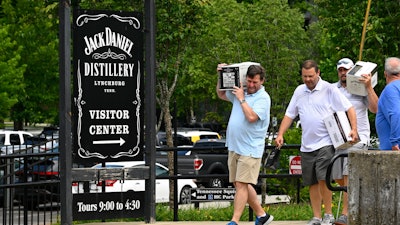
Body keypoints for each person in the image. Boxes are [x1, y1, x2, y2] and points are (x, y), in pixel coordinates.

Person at [274, 60, 359, 225]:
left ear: (318, 73)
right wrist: (280, 133)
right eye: (305, 76)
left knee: (323, 178)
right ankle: (316, 216)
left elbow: (349, 108)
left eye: (311, 76)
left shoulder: (329, 89)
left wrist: (353, 129)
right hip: (307, 144)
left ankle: (328, 214)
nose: (308, 79)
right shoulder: (299, 91)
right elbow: (290, 114)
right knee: (311, 181)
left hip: (325, 142)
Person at [217, 63, 273, 225]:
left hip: (250, 147)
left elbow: (251, 117)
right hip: (235, 145)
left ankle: (234, 221)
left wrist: (242, 98)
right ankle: (262, 215)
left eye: (255, 82)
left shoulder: (263, 98)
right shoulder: (242, 90)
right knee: (238, 182)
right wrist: (220, 76)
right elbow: (221, 95)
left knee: (241, 184)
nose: (251, 85)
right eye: (249, 81)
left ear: (262, 81)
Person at [332, 58, 378, 225]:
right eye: (340, 70)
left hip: (359, 139)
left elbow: (376, 109)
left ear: (352, 71)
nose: (343, 73)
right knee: (336, 176)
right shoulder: (332, 89)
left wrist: (368, 87)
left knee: (347, 173)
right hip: (338, 139)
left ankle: (345, 215)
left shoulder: (360, 88)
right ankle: (359, 202)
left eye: (346, 70)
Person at [375, 57, 400, 150]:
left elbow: (396, 113)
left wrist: (395, 142)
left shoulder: (391, 89)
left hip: (393, 154)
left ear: (385, 74)